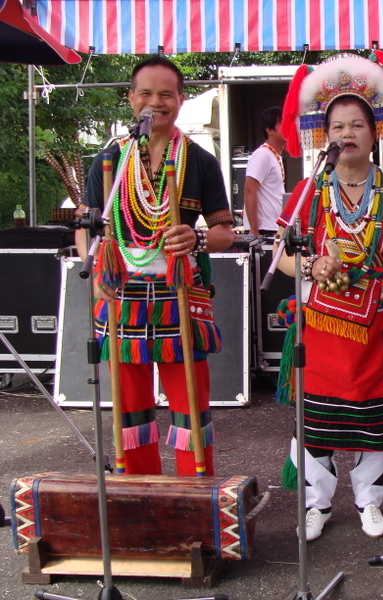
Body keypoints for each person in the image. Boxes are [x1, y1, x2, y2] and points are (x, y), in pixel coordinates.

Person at [276, 52, 383, 541]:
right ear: (323, 134)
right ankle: (317, 504)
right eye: (337, 125)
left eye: (357, 125)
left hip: (379, 326)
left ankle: (369, 499)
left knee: (379, 422)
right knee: (317, 424)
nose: (346, 134)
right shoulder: (307, 192)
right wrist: (310, 264)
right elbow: (283, 257)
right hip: (321, 328)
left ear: (375, 132)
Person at [76, 55, 234, 476]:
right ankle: (141, 496)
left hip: (181, 292)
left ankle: (194, 498)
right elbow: (86, 226)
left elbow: (225, 231)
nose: (155, 101)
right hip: (122, 294)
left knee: (188, 407)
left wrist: (195, 237)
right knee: (129, 409)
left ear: (181, 99)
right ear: (130, 98)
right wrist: (94, 273)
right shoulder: (110, 161)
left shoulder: (199, 161)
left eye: (166, 93)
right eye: (145, 92)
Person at [243, 107, 286, 236]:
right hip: (263, 229)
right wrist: (254, 229)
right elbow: (249, 190)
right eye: (283, 123)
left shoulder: (273, 155)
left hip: (273, 227)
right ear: (270, 130)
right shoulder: (263, 155)